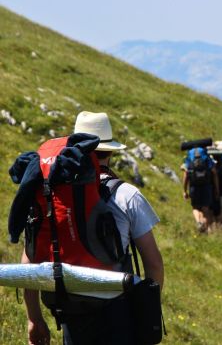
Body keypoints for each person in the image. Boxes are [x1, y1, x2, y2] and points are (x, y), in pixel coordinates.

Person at [23, 111, 164, 345]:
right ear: (110, 152)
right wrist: (148, 309)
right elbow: (154, 264)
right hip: (117, 310)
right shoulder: (126, 195)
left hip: (69, 307)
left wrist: (34, 319)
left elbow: (30, 261)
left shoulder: (53, 194)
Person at [182, 146, 220, 233]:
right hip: (206, 186)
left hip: (194, 187)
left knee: (195, 207)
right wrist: (216, 189)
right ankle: (205, 230)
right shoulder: (206, 157)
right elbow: (214, 172)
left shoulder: (189, 158)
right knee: (205, 208)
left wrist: (184, 190)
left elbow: (186, 175)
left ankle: (198, 222)